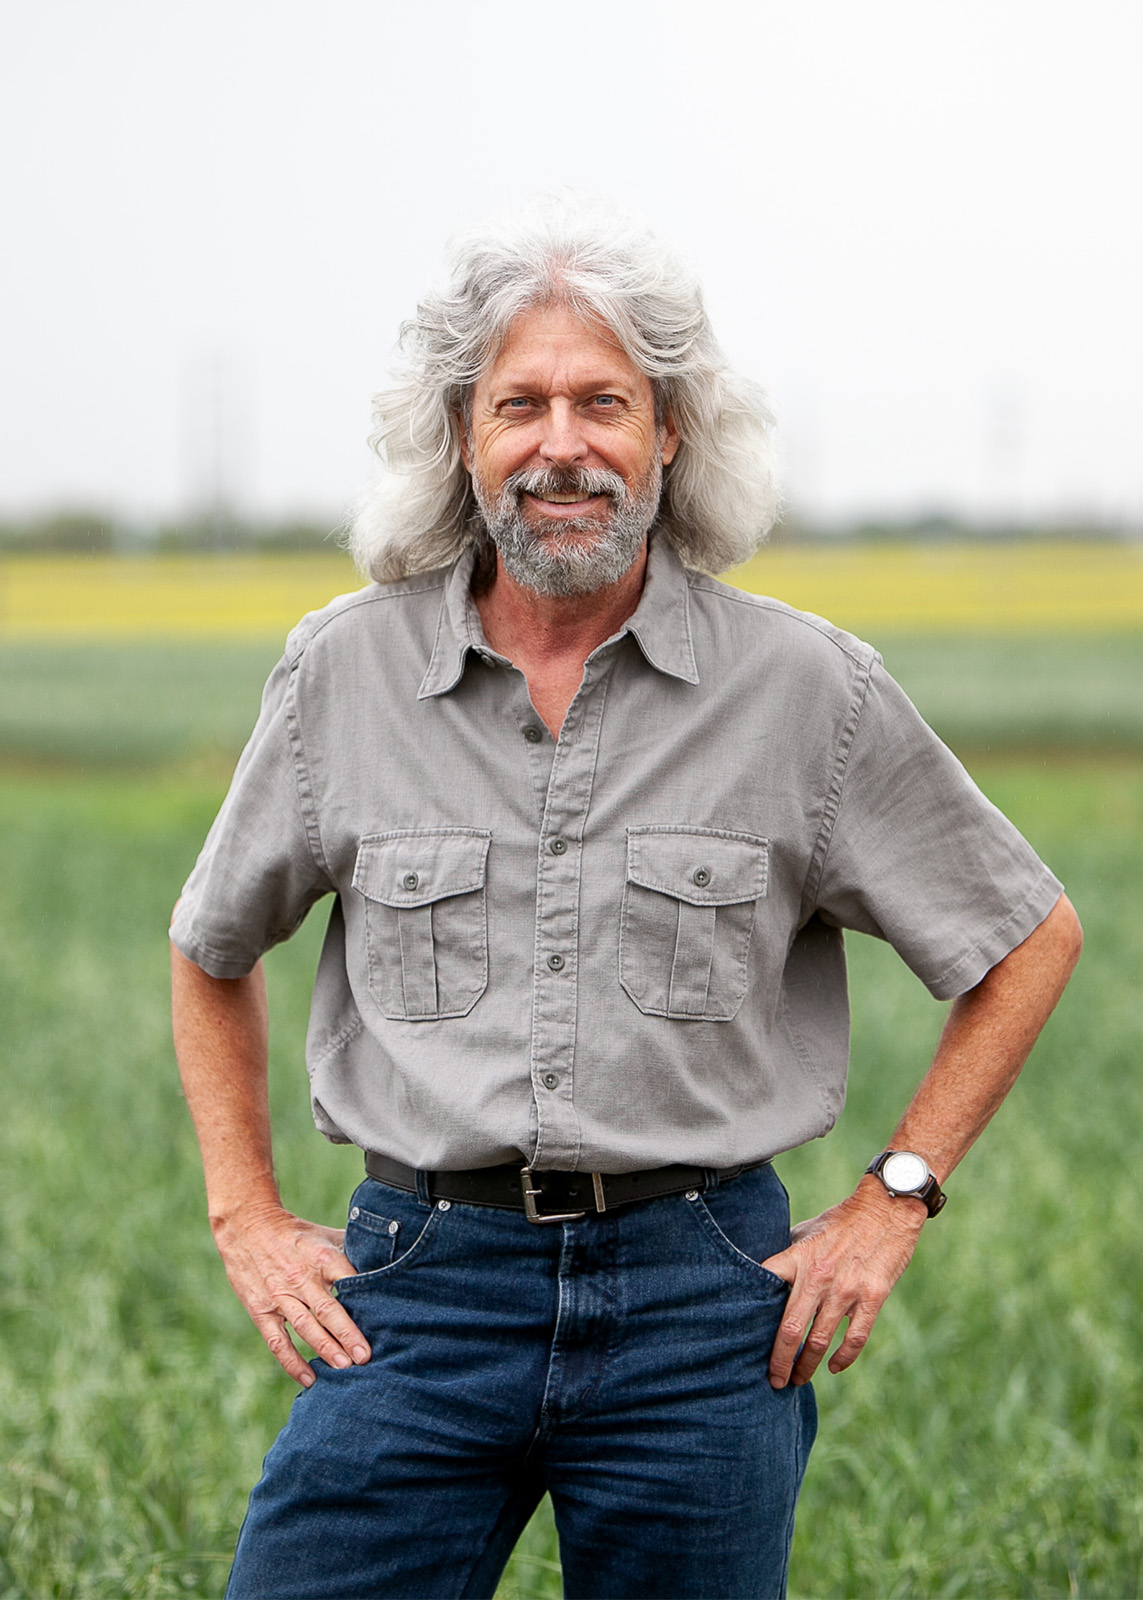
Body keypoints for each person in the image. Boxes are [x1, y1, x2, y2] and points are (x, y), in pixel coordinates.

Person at [170, 200, 1082, 1600]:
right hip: (415, 1291)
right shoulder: (339, 676)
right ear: (462, 441)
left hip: (705, 1302)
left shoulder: (806, 690)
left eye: (605, 402)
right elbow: (210, 946)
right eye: (518, 404)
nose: (561, 443)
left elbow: (1026, 937)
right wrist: (243, 1211)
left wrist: (895, 1197)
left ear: (670, 436)